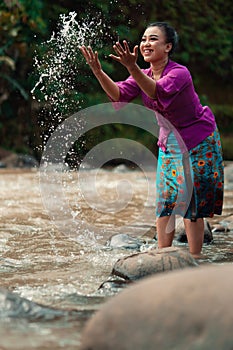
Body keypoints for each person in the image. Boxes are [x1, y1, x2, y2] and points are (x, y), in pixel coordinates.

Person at [80, 22, 224, 258]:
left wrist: (132, 67)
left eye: (153, 39)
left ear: (168, 47)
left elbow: (156, 91)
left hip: (197, 140)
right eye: (144, 39)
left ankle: (195, 259)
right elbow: (118, 94)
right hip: (169, 143)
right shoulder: (143, 74)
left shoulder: (179, 73)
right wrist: (98, 71)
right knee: (165, 200)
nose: (146, 43)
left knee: (191, 203)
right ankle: (163, 255)